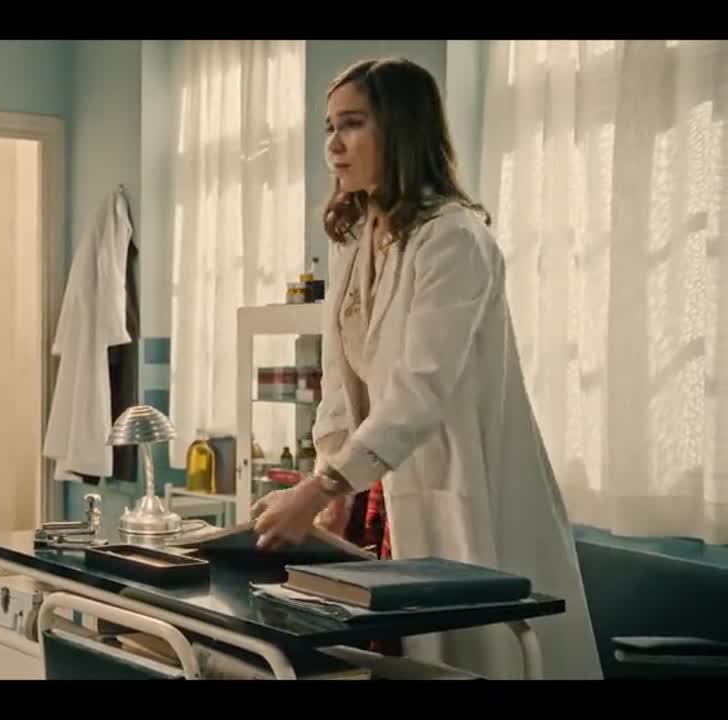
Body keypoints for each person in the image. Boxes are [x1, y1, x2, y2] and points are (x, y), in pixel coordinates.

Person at [251, 57, 604, 680]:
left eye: (352, 124)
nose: (333, 144)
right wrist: (332, 484)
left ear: (401, 128)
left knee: (472, 659)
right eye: (329, 127)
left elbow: (420, 391)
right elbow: (342, 383)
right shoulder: (356, 239)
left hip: (452, 479)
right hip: (380, 486)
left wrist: (319, 489)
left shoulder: (455, 239)